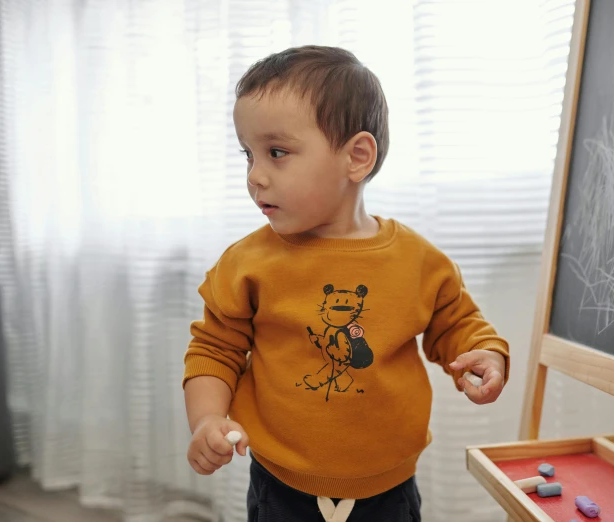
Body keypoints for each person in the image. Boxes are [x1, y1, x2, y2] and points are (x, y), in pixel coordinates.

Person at [182, 45, 509, 522]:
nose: (255, 176)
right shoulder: (246, 263)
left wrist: (484, 352)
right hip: (281, 490)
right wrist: (207, 419)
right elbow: (215, 349)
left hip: (389, 492)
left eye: (277, 153)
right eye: (248, 155)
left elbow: (456, 323)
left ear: (356, 157)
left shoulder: (416, 260)